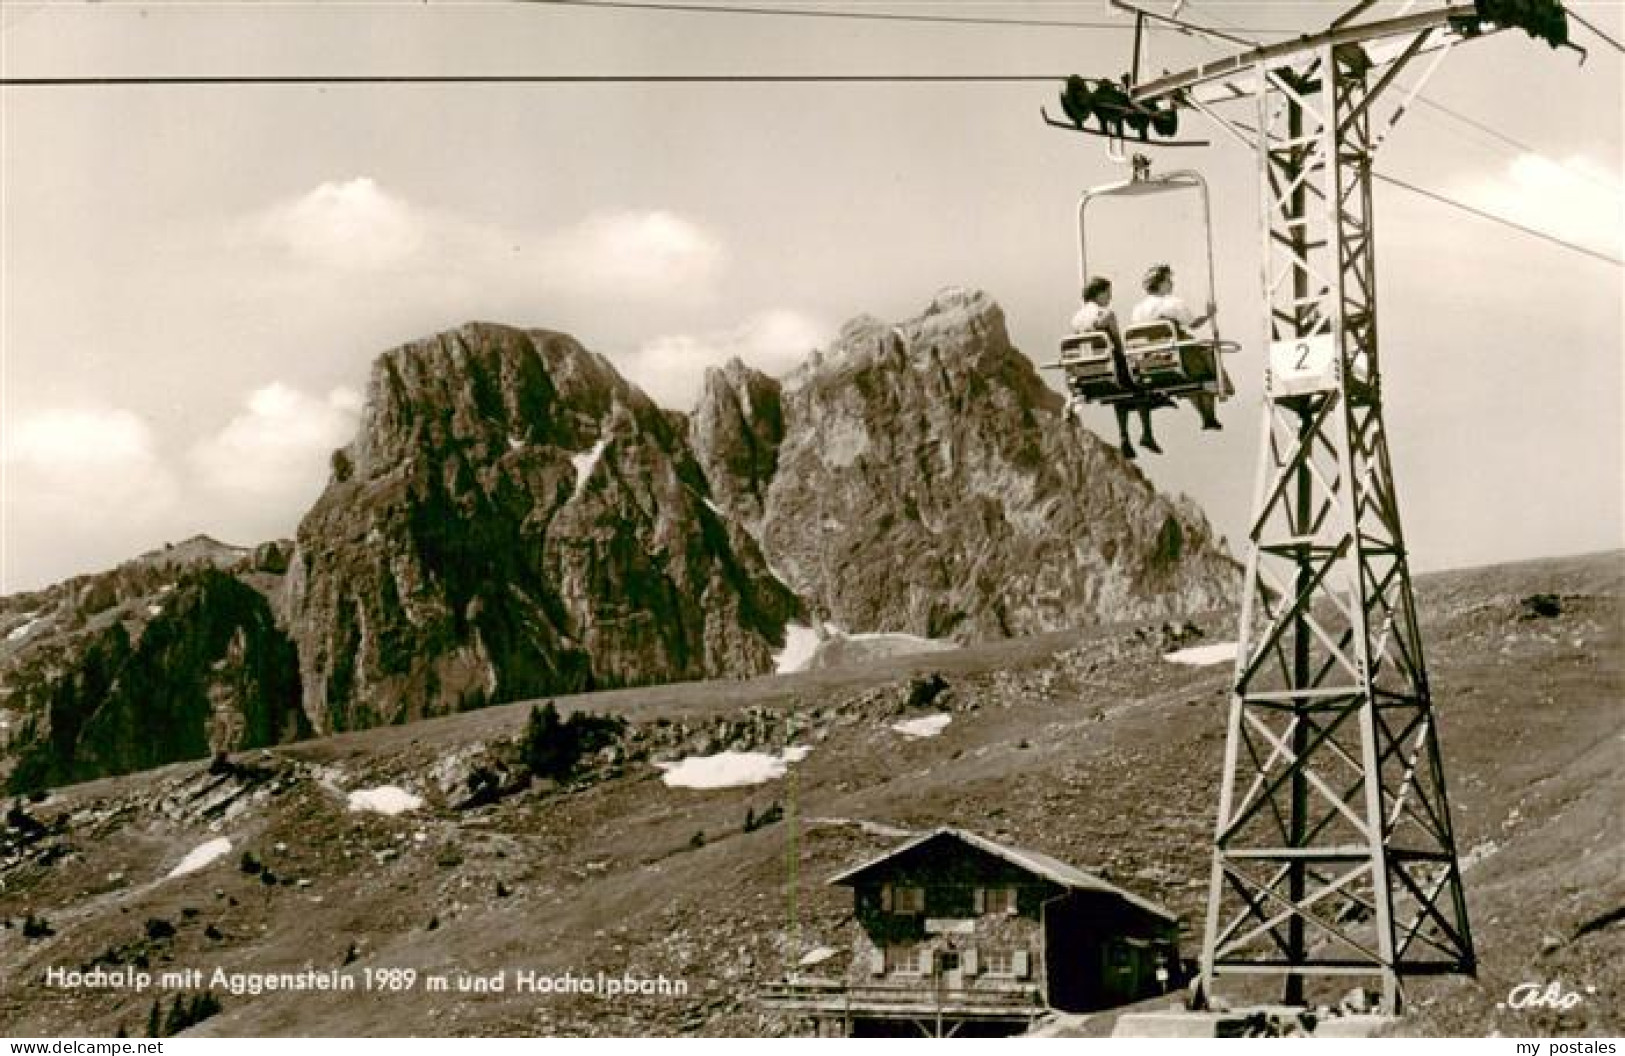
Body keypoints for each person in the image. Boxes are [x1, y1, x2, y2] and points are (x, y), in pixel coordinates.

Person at [1070, 275, 1162, 460]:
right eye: (1108, 293)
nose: (1110, 298)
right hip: (1113, 370)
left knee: (1119, 396)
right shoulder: (1106, 314)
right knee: (1141, 386)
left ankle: (1124, 437)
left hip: (1090, 374)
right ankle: (1147, 434)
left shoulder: (1076, 318)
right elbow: (1118, 343)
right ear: (1099, 293)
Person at [1131, 263, 1223, 430]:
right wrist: (1209, 315)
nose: (1172, 283)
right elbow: (1193, 324)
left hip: (1150, 361)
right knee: (1207, 363)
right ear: (1160, 283)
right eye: (1169, 280)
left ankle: (1207, 417)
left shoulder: (1137, 310)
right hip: (1177, 356)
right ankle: (1208, 415)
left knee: (1187, 370)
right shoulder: (1172, 303)